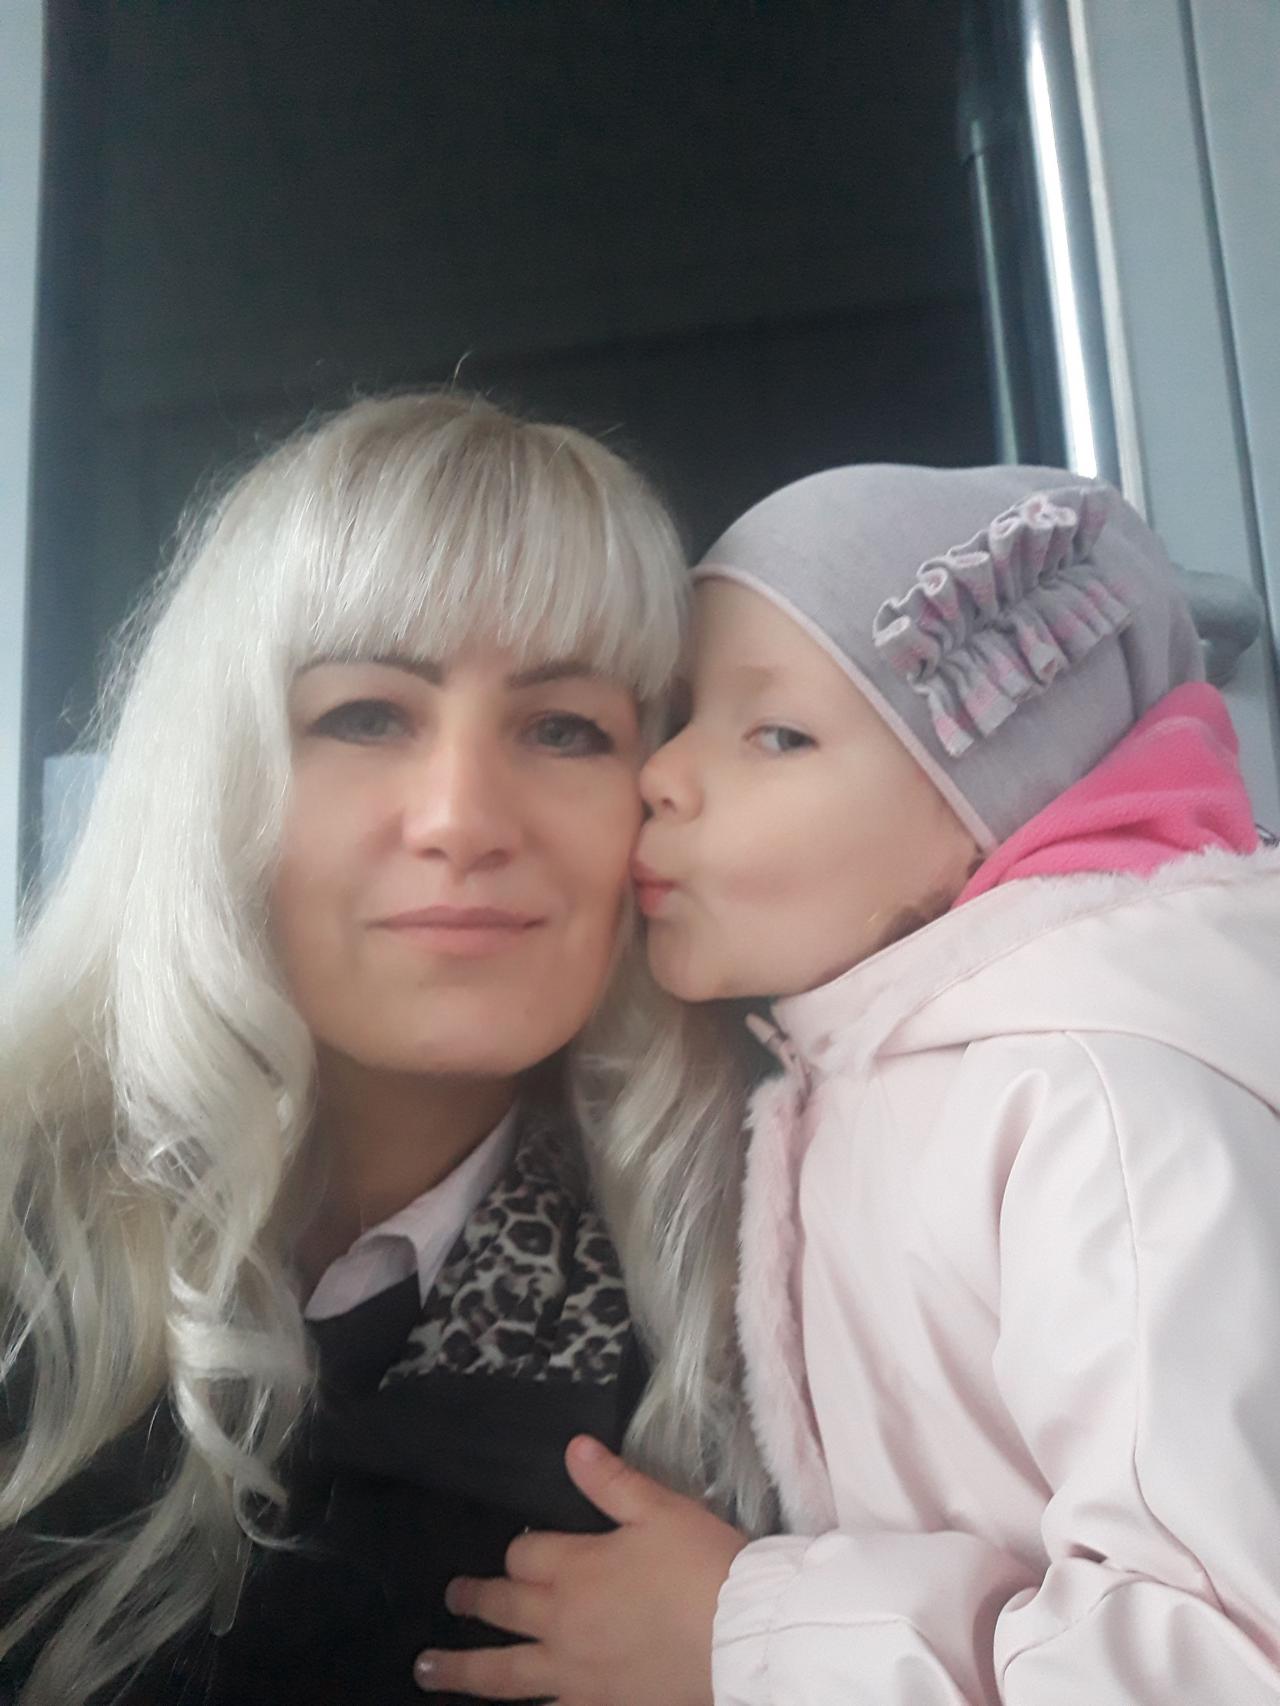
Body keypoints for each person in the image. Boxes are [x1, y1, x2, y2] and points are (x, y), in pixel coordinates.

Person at [426, 463, 1280, 1704]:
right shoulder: (869, 1072)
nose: (660, 772)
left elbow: (1231, 1656)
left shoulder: (1095, 1105)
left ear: (990, 809)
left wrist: (748, 1638)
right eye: (679, 714)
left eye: (775, 733)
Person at [0, 389, 746, 1706]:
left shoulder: (754, 1287)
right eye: (365, 715)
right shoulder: (22, 1228)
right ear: (216, 771)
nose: (463, 817)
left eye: (563, 727)